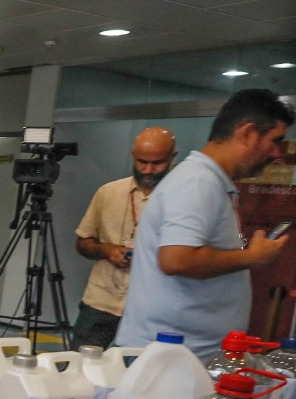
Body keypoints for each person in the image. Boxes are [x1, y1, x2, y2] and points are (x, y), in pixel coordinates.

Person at [115, 89, 293, 359]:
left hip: (182, 356)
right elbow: (177, 259)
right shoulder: (198, 182)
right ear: (247, 133)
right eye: (274, 140)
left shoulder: (210, 182)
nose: (277, 152)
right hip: (166, 360)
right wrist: (252, 257)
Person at [71, 127, 177, 348]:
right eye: (141, 162)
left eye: (157, 163)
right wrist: (107, 251)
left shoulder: (180, 198)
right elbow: (83, 243)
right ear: (132, 156)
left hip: (150, 309)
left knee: (137, 375)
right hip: (101, 302)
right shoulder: (108, 193)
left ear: (172, 158)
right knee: (78, 368)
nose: (148, 170)